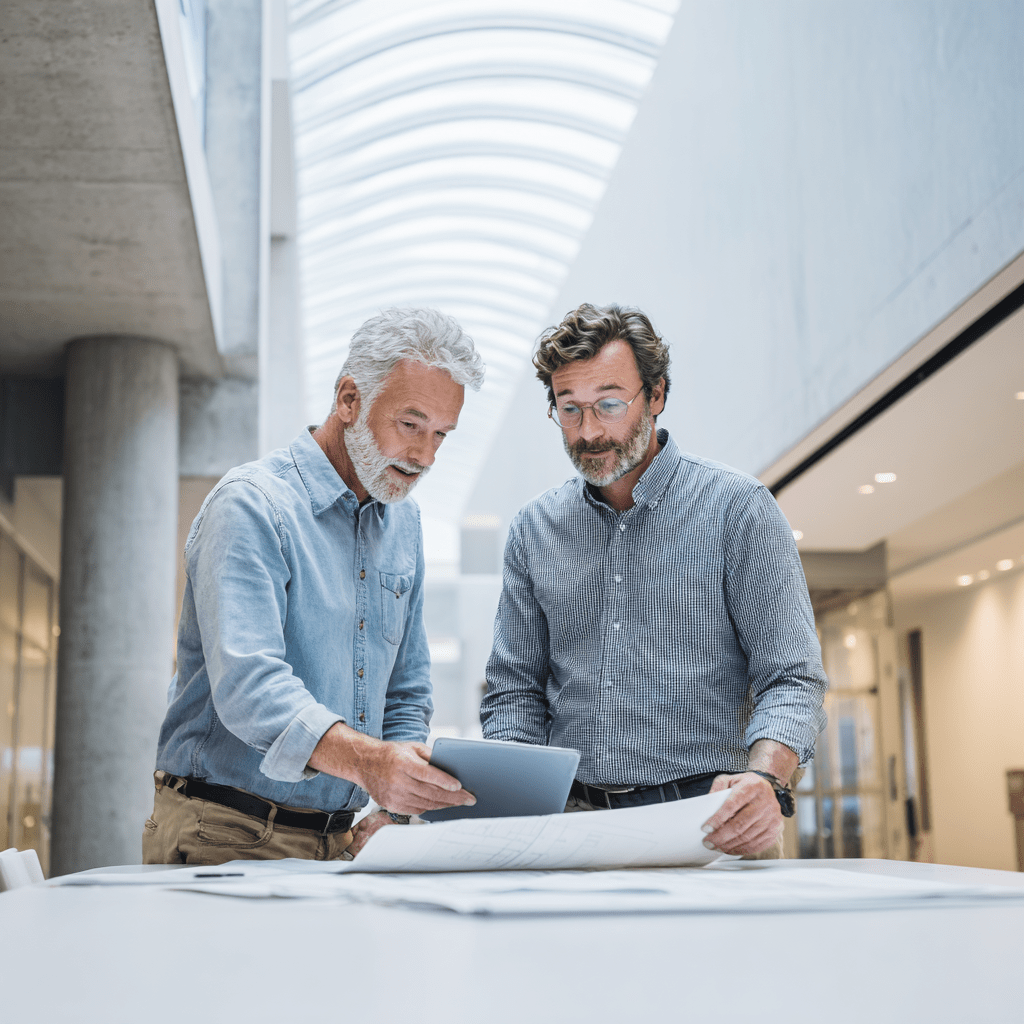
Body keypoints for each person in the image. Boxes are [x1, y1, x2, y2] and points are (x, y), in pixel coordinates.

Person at [480, 303, 827, 858]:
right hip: (571, 828)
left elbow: (791, 678)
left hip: (713, 821)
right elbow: (515, 690)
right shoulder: (533, 529)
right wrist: (510, 810)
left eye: (610, 404)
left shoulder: (738, 509)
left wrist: (767, 781)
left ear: (657, 395)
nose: (589, 431)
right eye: (569, 409)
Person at [144, 308, 483, 865]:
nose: (424, 455)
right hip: (222, 830)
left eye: (441, 434)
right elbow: (251, 689)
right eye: (410, 424)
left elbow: (406, 690)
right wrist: (372, 764)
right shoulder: (251, 505)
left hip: (340, 842)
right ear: (349, 399)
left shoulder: (405, 525)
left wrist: (394, 806)